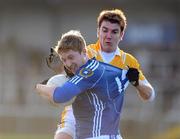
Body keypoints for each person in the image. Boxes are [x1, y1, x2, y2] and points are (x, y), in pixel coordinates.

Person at [53, 9, 155, 139]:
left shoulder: (128, 62)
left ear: (122, 34)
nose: (108, 35)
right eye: (105, 30)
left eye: (114, 31)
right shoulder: (85, 53)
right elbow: (66, 77)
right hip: (75, 114)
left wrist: (137, 83)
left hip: (106, 124)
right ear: (98, 31)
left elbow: (150, 95)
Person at [36, 30, 131, 139]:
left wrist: (39, 87)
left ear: (84, 52)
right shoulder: (96, 71)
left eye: (71, 57)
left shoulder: (89, 72)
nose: (68, 64)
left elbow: (60, 95)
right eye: (64, 60)